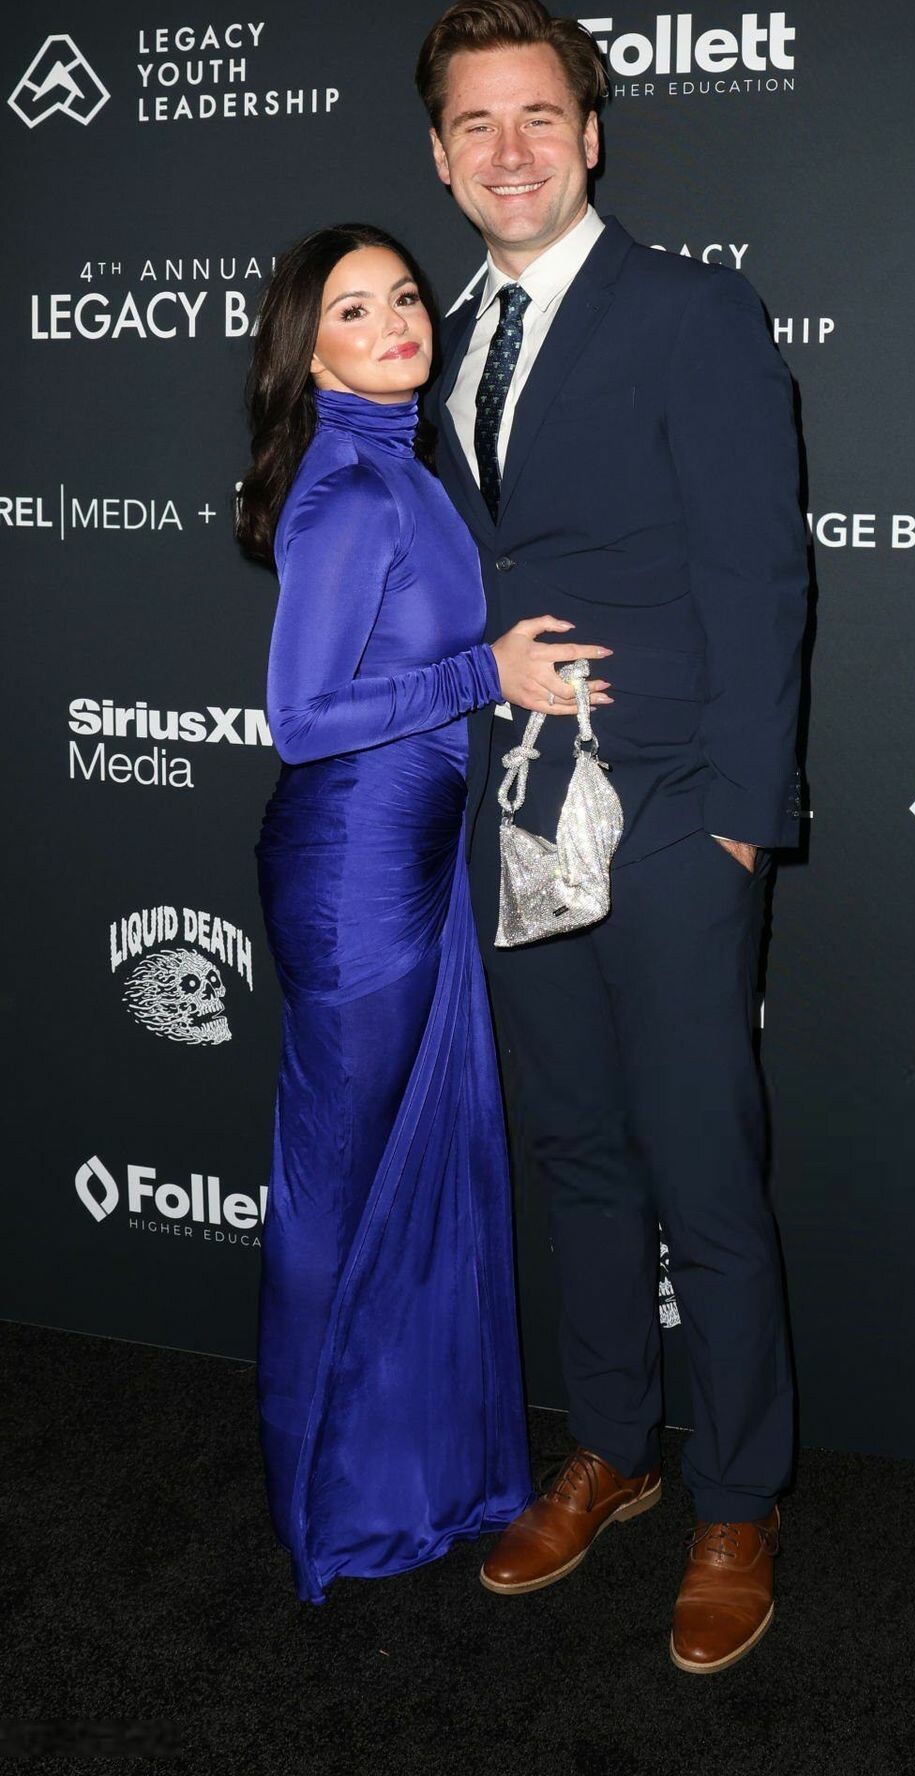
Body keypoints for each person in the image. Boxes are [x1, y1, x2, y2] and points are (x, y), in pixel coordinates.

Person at [416, 0, 808, 1673]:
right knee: (574, 1148)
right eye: (476, 124)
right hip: (510, 809)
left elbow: (760, 575)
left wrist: (737, 828)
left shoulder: (690, 311)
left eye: (538, 116)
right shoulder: (432, 338)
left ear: (591, 133)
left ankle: (738, 1498)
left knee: (701, 1163)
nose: (509, 150)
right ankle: (612, 1449)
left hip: (666, 811)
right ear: (440, 156)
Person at [241, 223, 614, 1605]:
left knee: (415, 1169)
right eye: (353, 310)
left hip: (409, 855)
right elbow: (301, 717)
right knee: (344, 1187)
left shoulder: (408, 466)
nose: (395, 321)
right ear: (307, 351)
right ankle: (331, 1506)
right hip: (353, 873)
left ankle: (417, 1478)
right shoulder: (347, 490)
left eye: (404, 296)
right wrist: (484, 673)